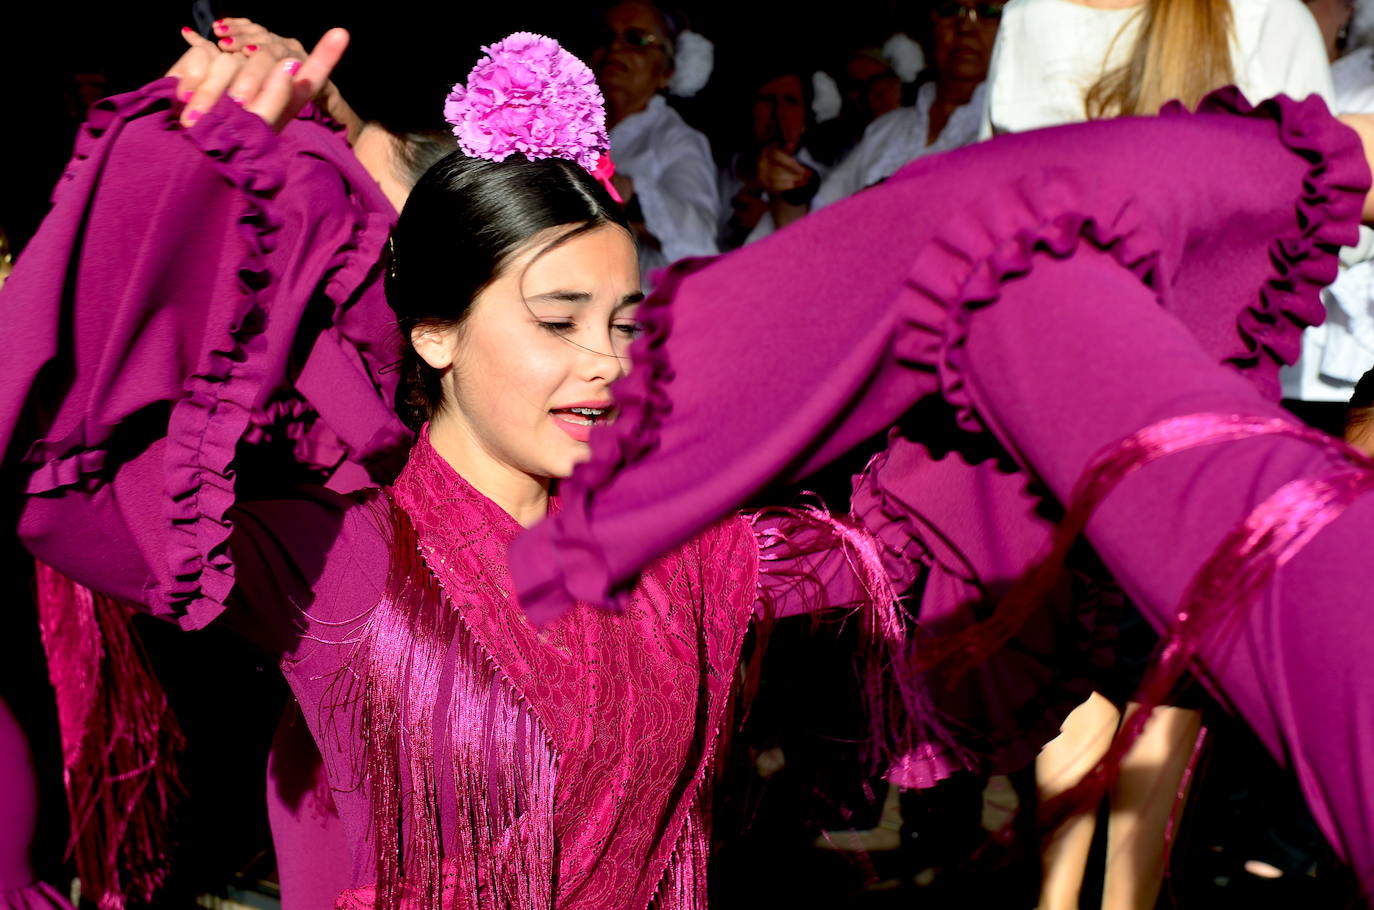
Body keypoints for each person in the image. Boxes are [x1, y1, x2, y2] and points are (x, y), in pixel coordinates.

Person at [5, 29, 1020, 909]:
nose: (606, 361)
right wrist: (192, 156)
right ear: (437, 332)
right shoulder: (340, 552)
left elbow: (911, 537)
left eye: (624, 322)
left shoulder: (680, 549)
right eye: (558, 319)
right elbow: (71, 479)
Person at [808, 0, 998, 214]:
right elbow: (818, 216)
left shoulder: (1015, 131)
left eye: (988, 11)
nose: (965, 27)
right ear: (933, 23)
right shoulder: (887, 128)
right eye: (952, 9)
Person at [590, 2, 720, 275]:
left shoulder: (678, 139)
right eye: (606, 37)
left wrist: (628, 194)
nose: (615, 48)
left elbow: (699, 242)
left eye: (636, 39)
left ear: (667, 72)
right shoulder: (566, 126)